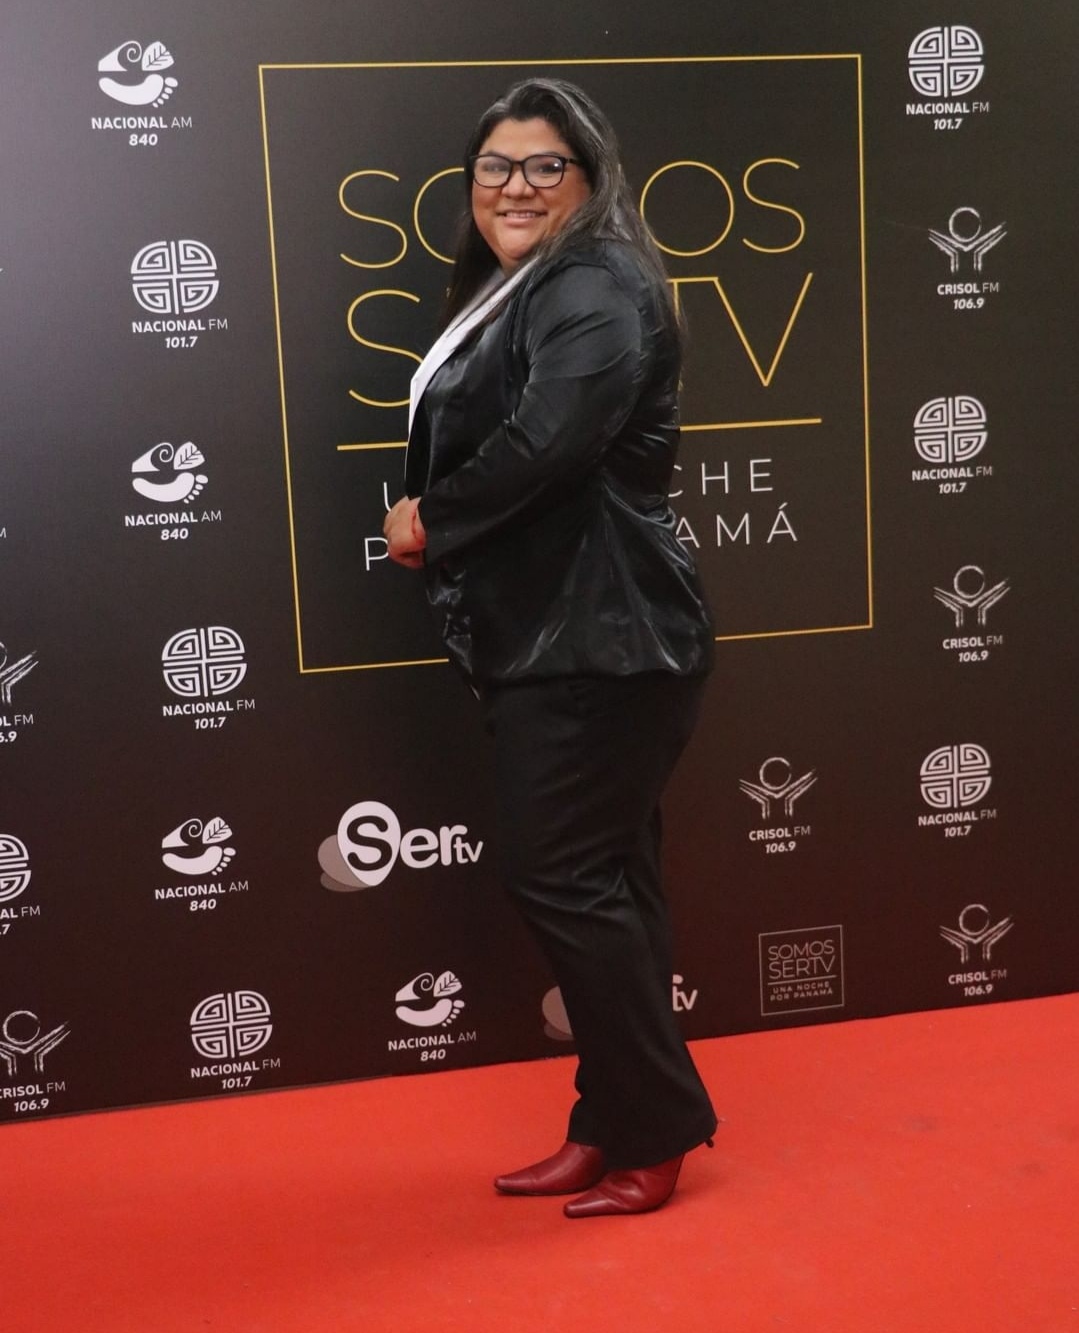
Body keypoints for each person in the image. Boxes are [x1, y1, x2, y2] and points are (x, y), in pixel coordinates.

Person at [383, 77, 717, 1218]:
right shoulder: (533, 284)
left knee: (563, 877)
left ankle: (655, 1124)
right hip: (569, 634)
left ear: (587, 177)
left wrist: (431, 520)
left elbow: (544, 444)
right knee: (607, 880)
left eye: (542, 166)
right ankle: (609, 1120)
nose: (513, 186)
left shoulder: (594, 285)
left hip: (604, 643)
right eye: (494, 167)